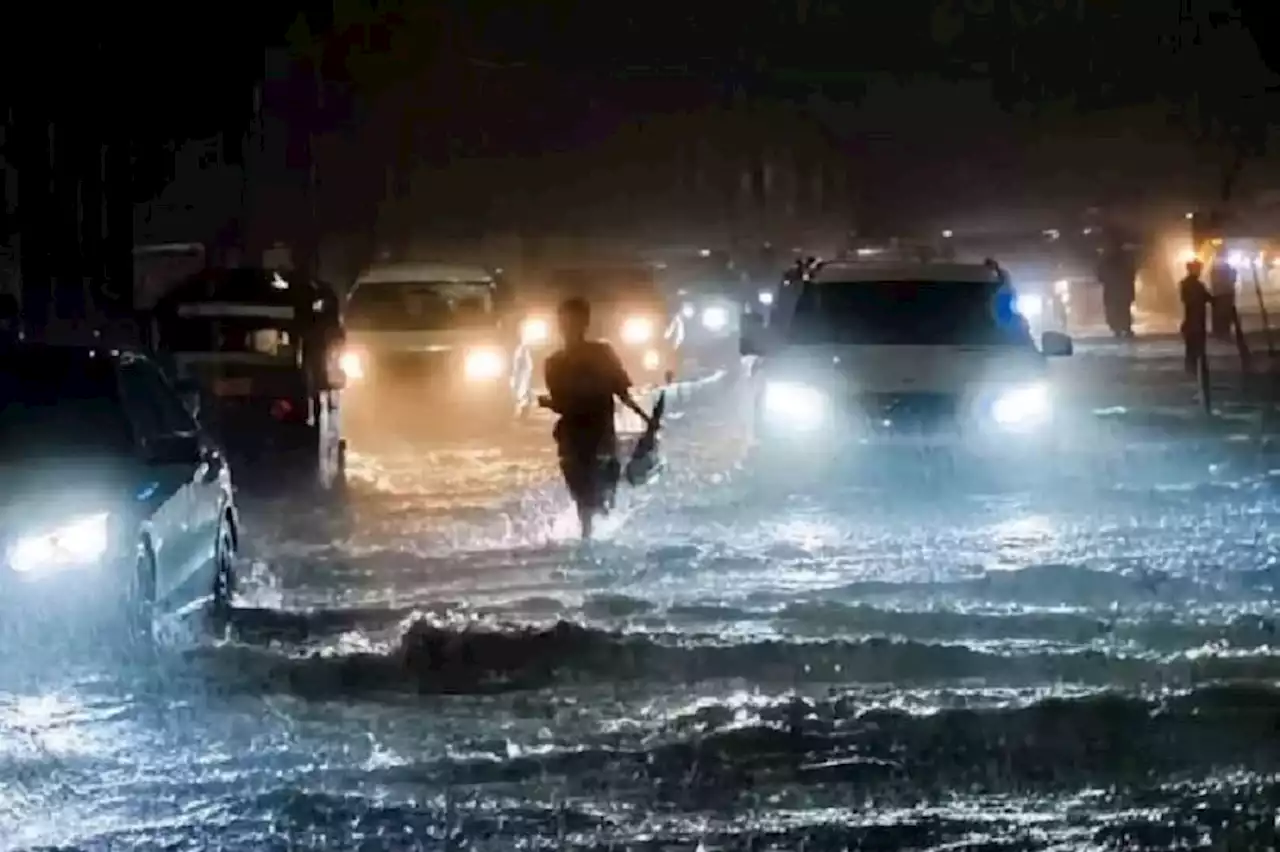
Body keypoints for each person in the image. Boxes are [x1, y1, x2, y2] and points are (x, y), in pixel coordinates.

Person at [541, 297, 651, 539]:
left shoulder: (602, 353)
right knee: (583, 492)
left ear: (585, 323)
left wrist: (646, 418)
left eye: (574, 322)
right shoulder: (553, 363)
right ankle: (587, 536)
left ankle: (595, 529)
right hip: (572, 435)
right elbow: (562, 402)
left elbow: (621, 391)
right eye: (565, 322)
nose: (569, 327)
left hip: (600, 431)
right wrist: (551, 403)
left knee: (603, 490)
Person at [1179, 259, 1212, 376]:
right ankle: (1197, 368)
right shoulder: (1196, 285)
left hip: (1192, 319)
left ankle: (1193, 367)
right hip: (1195, 319)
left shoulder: (1187, 284)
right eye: (1198, 269)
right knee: (1197, 344)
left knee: (1192, 345)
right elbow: (1206, 298)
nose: (1200, 272)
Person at [1207, 253, 1239, 340]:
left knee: (1221, 315)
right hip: (1224, 294)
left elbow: (1214, 281)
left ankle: (1221, 332)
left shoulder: (1216, 269)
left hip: (1220, 294)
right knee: (1224, 314)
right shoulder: (1226, 269)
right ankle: (1223, 332)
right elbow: (1232, 279)